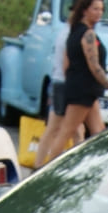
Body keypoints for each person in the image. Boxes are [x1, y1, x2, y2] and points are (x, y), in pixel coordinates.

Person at [36, 0, 108, 169]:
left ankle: (103, 166)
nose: (99, 13)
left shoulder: (73, 32)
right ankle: (48, 170)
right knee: (66, 131)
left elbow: (67, 64)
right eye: (95, 9)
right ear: (85, 10)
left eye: (101, 9)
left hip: (84, 89)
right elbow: (94, 66)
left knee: (98, 130)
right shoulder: (87, 34)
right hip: (83, 90)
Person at [33, 17, 84, 168]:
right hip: (67, 84)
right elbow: (67, 63)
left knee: (73, 129)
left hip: (59, 83)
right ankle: (43, 165)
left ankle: (40, 165)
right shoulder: (72, 34)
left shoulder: (65, 31)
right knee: (68, 129)